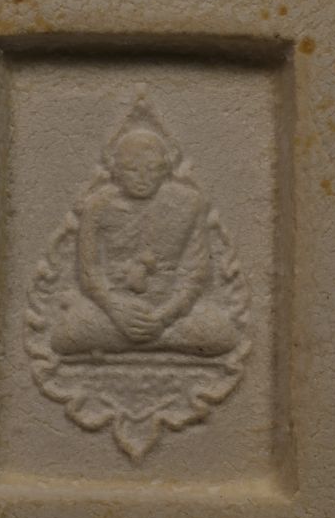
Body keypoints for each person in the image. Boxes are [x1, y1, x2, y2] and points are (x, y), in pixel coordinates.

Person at [51, 127, 237, 356]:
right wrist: (116, 309)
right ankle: (157, 342)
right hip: (112, 308)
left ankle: (133, 341)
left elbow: (197, 275)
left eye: (151, 169)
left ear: (165, 169)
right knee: (65, 333)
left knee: (221, 332)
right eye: (131, 169)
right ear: (116, 170)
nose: (142, 178)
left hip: (170, 309)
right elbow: (89, 274)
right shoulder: (97, 205)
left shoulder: (189, 203)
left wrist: (163, 318)